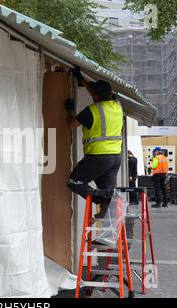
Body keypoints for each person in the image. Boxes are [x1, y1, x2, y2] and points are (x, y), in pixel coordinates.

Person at [66, 67, 124, 218]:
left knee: (74, 182)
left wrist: (70, 110)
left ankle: (100, 199)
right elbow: (97, 92)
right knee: (109, 191)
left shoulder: (93, 110)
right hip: (115, 157)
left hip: (98, 157)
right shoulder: (117, 106)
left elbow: (71, 124)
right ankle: (108, 214)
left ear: (96, 96)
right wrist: (81, 79)